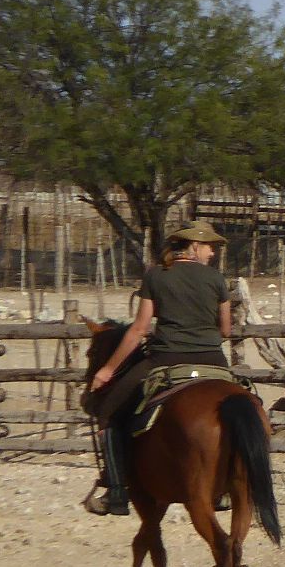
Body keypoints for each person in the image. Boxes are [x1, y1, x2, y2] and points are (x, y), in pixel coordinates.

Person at [82, 220, 235, 514]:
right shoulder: (217, 280)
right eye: (209, 247)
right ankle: (226, 486)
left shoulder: (156, 276)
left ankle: (116, 492)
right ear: (194, 247)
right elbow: (226, 331)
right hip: (214, 361)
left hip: (167, 359)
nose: (212, 254)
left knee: (109, 414)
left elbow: (139, 329)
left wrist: (107, 370)